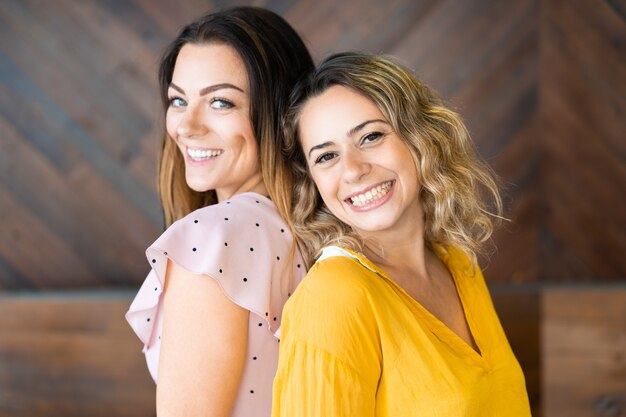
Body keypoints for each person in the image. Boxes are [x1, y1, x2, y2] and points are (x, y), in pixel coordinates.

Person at [271, 52, 532, 416]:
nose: (353, 170)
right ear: (312, 182)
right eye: (326, 157)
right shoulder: (333, 297)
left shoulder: (455, 262)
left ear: (419, 138)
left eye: (371, 137)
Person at [125, 7, 313, 417]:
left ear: (282, 113)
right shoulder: (314, 236)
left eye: (220, 102)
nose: (187, 125)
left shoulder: (209, 240)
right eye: (178, 99)